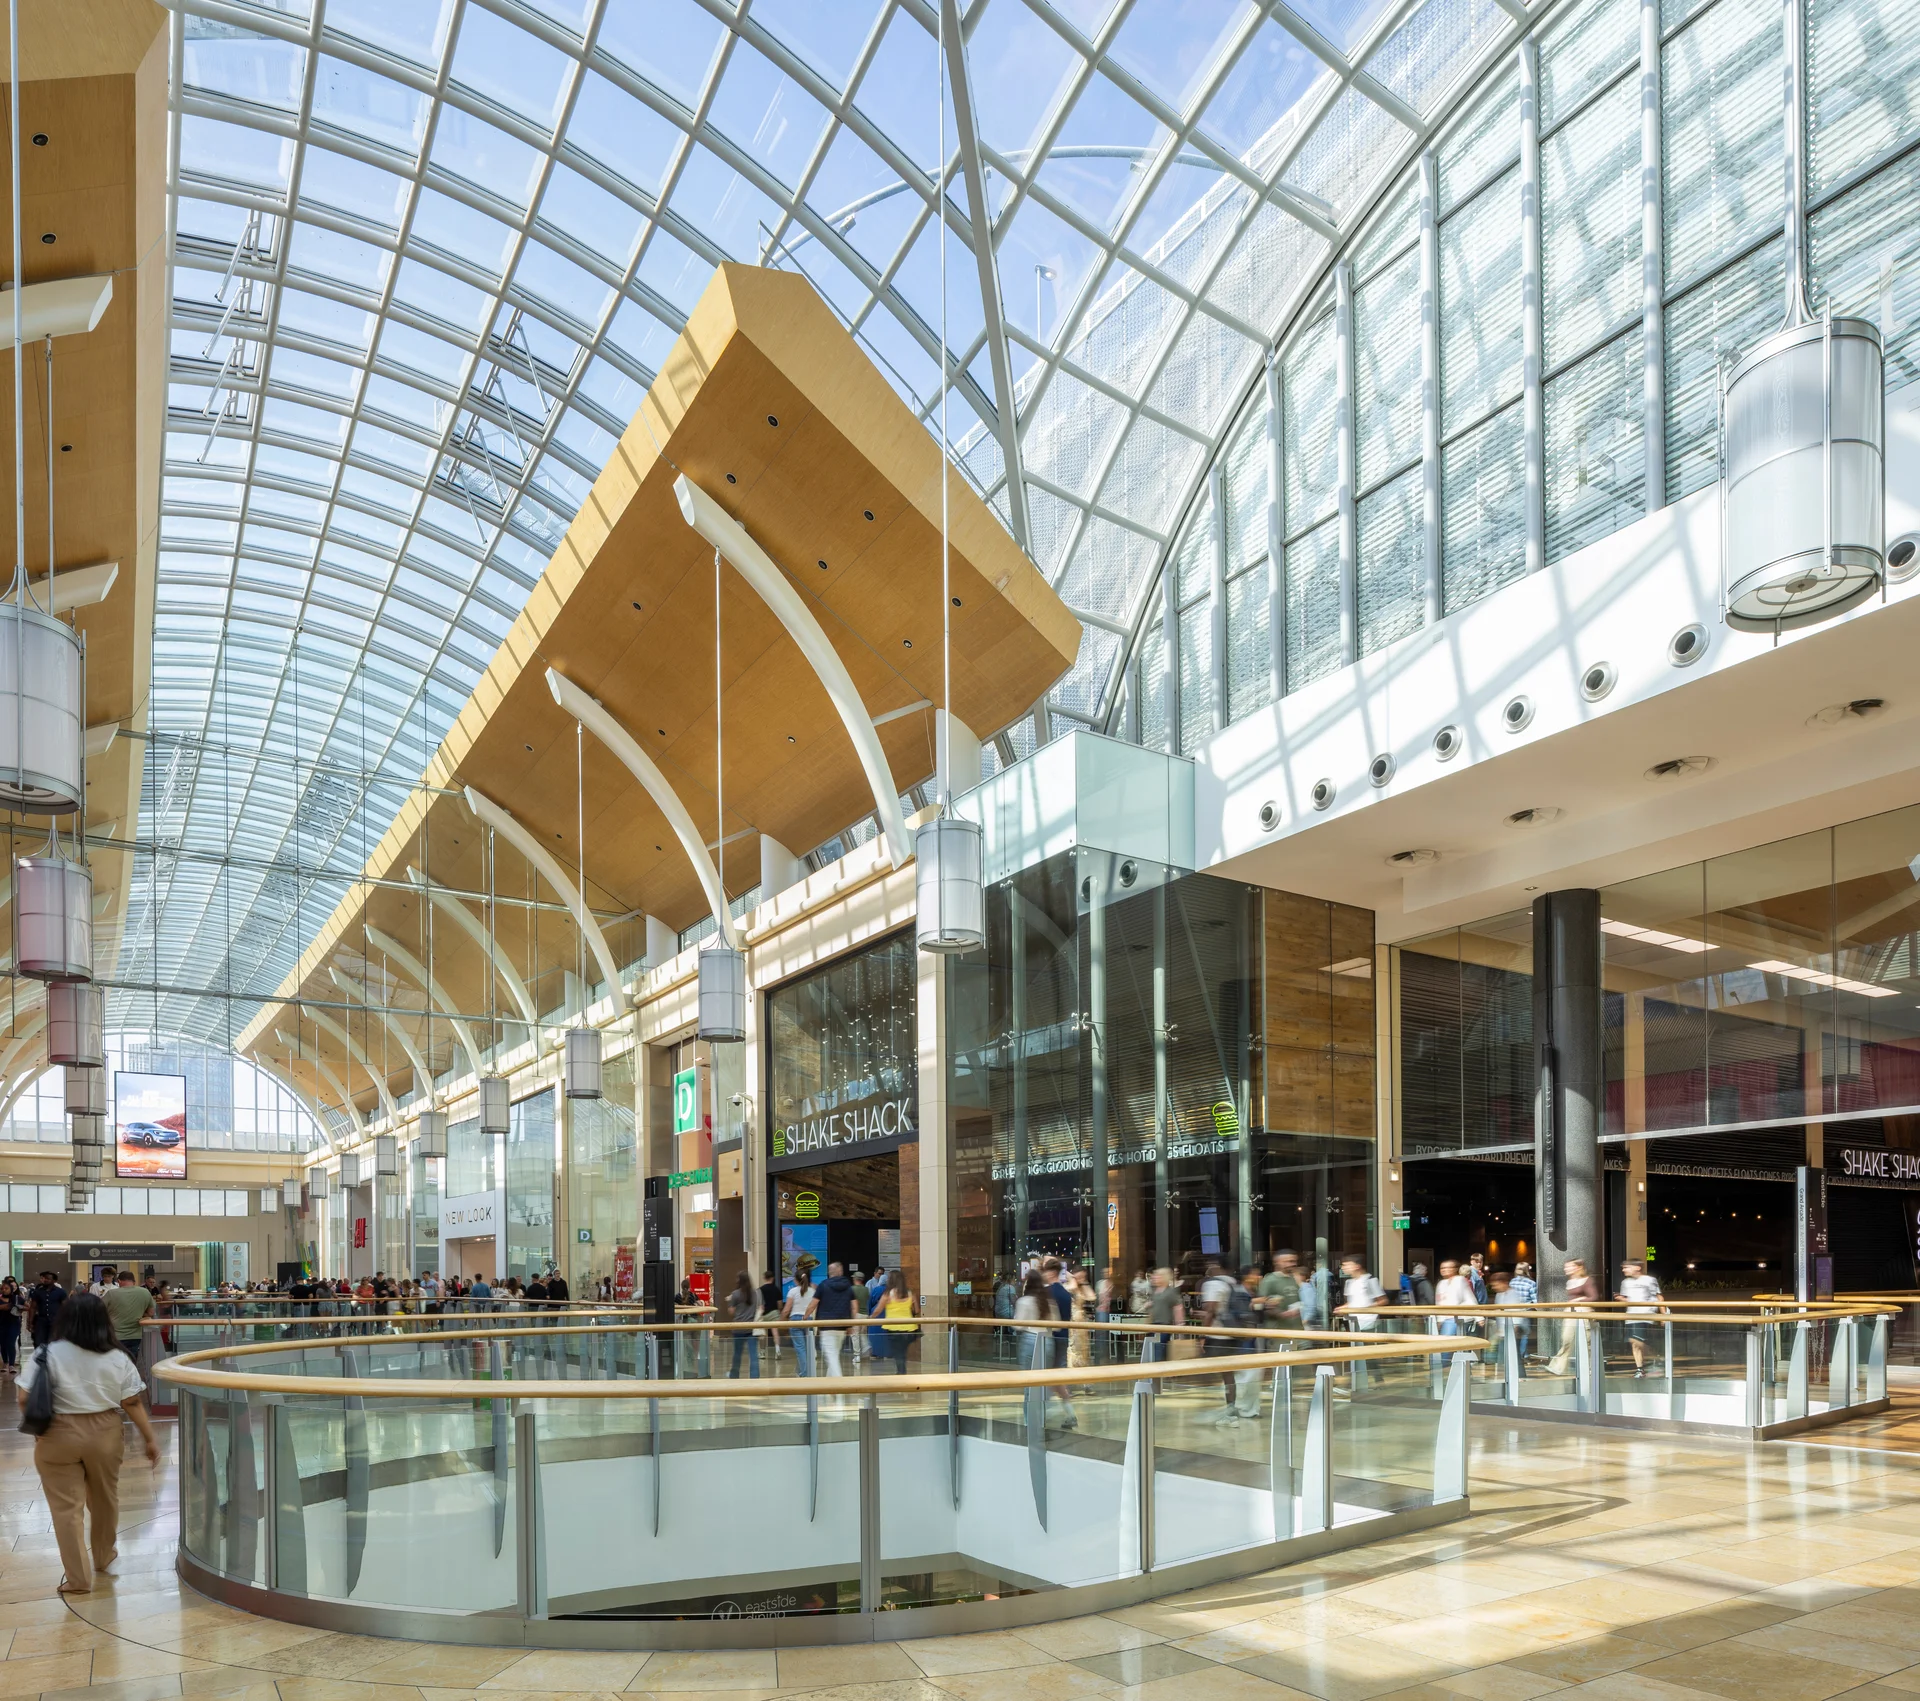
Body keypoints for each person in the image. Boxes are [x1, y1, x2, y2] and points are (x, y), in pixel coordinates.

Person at [17, 1292, 160, 1594]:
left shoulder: (46, 1353)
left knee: (66, 1509)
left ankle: (79, 1579)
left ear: (65, 1319)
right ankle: (104, 1557)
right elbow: (132, 1401)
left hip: (57, 1433)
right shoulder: (117, 1356)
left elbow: (24, 1397)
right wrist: (149, 1438)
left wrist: (39, 1431)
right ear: (103, 1321)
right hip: (105, 1431)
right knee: (105, 1498)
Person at [1549, 1258, 1601, 1375]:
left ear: (1578, 1267)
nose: (1565, 1269)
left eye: (1569, 1266)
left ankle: (1590, 1368)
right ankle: (1558, 1366)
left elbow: (1594, 1297)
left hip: (1584, 1312)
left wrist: (1580, 1300)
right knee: (1566, 1339)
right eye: (1565, 1267)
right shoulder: (1570, 1282)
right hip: (1571, 1312)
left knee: (1587, 1342)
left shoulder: (1587, 1280)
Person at [1617, 1260, 1663, 1378]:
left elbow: (1659, 1297)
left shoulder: (1649, 1280)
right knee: (1634, 1344)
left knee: (1636, 1340)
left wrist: (1664, 1315)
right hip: (1631, 1315)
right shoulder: (1625, 1282)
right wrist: (1621, 1299)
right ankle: (1640, 1369)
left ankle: (1656, 1358)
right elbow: (1628, 1300)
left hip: (1645, 1314)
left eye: (1626, 1267)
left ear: (1637, 1267)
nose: (1623, 1270)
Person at [814, 1260, 857, 1378]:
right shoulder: (848, 1286)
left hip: (827, 1327)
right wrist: (850, 1325)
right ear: (840, 1271)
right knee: (834, 1355)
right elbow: (854, 1307)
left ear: (829, 1272)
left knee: (832, 1357)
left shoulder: (823, 1285)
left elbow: (814, 1303)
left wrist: (805, 1318)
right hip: (842, 1326)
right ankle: (830, 1386)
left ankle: (839, 1388)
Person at [103, 1272, 154, 1371]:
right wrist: (141, 1315)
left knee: (115, 1364)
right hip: (135, 1335)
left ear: (119, 1281)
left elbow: (98, 1310)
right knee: (131, 1363)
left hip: (115, 1335)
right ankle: (130, 1382)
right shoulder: (145, 1292)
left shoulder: (111, 1293)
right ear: (134, 1281)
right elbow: (151, 1312)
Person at [875, 1270, 920, 1373]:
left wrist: (870, 1318)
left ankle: (901, 1372)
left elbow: (878, 1310)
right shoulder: (910, 1293)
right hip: (910, 1329)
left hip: (893, 1328)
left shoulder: (887, 1294)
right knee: (902, 1352)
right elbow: (916, 1310)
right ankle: (901, 1371)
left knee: (898, 1352)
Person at [782, 1266, 817, 1376]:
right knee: (807, 1349)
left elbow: (786, 1310)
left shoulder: (792, 1291)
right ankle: (803, 1371)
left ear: (796, 1280)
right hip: (808, 1320)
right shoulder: (813, 1291)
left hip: (795, 1320)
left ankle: (804, 1373)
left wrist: (781, 1321)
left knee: (800, 1349)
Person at [726, 1272, 760, 1378]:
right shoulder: (755, 1293)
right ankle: (755, 1377)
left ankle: (734, 1375)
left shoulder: (735, 1294)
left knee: (737, 1354)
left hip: (738, 1328)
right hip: (751, 1328)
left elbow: (731, 1311)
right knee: (753, 1354)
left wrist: (729, 1301)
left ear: (739, 1280)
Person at [1339, 1256, 1385, 1330]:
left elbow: (1383, 1300)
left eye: (1346, 1265)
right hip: (1354, 1322)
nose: (1343, 1268)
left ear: (1357, 1266)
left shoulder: (1370, 1280)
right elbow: (1352, 1302)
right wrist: (1343, 1308)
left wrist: (1367, 1307)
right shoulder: (1349, 1282)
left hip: (1369, 1323)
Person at [1434, 1259, 1478, 1336]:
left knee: (1446, 1342)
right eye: (1442, 1268)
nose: (1444, 1270)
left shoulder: (1460, 1280)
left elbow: (1470, 1298)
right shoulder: (1441, 1284)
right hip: (1446, 1318)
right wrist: (1439, 1320)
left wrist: (1479, 1317)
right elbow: (1439, 1303)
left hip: (1459, 1317)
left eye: (1448, 1267)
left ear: (1455, 1269)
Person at [28, 1271, 66, 1350]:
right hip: (41, 1320)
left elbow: (65, 1306)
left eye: (48, 1279)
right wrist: (30, 1322)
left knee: (55, 1342)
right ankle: (41, 1360)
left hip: (55, 1321)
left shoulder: (60, 1292)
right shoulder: (37, 1292)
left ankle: (53, 1360)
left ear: (54, 1281)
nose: (45, 1280)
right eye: (44, 1278)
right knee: (39, 1342)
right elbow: (33, 1307)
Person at [0, 1276, 23, 1374]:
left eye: (6, 1288)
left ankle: (11, 1365)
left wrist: (19, 1308)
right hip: (1, 1323)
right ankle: (5, 1362)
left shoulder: (17, 1298)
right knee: (3, 1344)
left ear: (11, 1289)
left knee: (10, 1343)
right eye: (2, 1289)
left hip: (13, 1324)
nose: (4, 1290)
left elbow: (28, 1307)